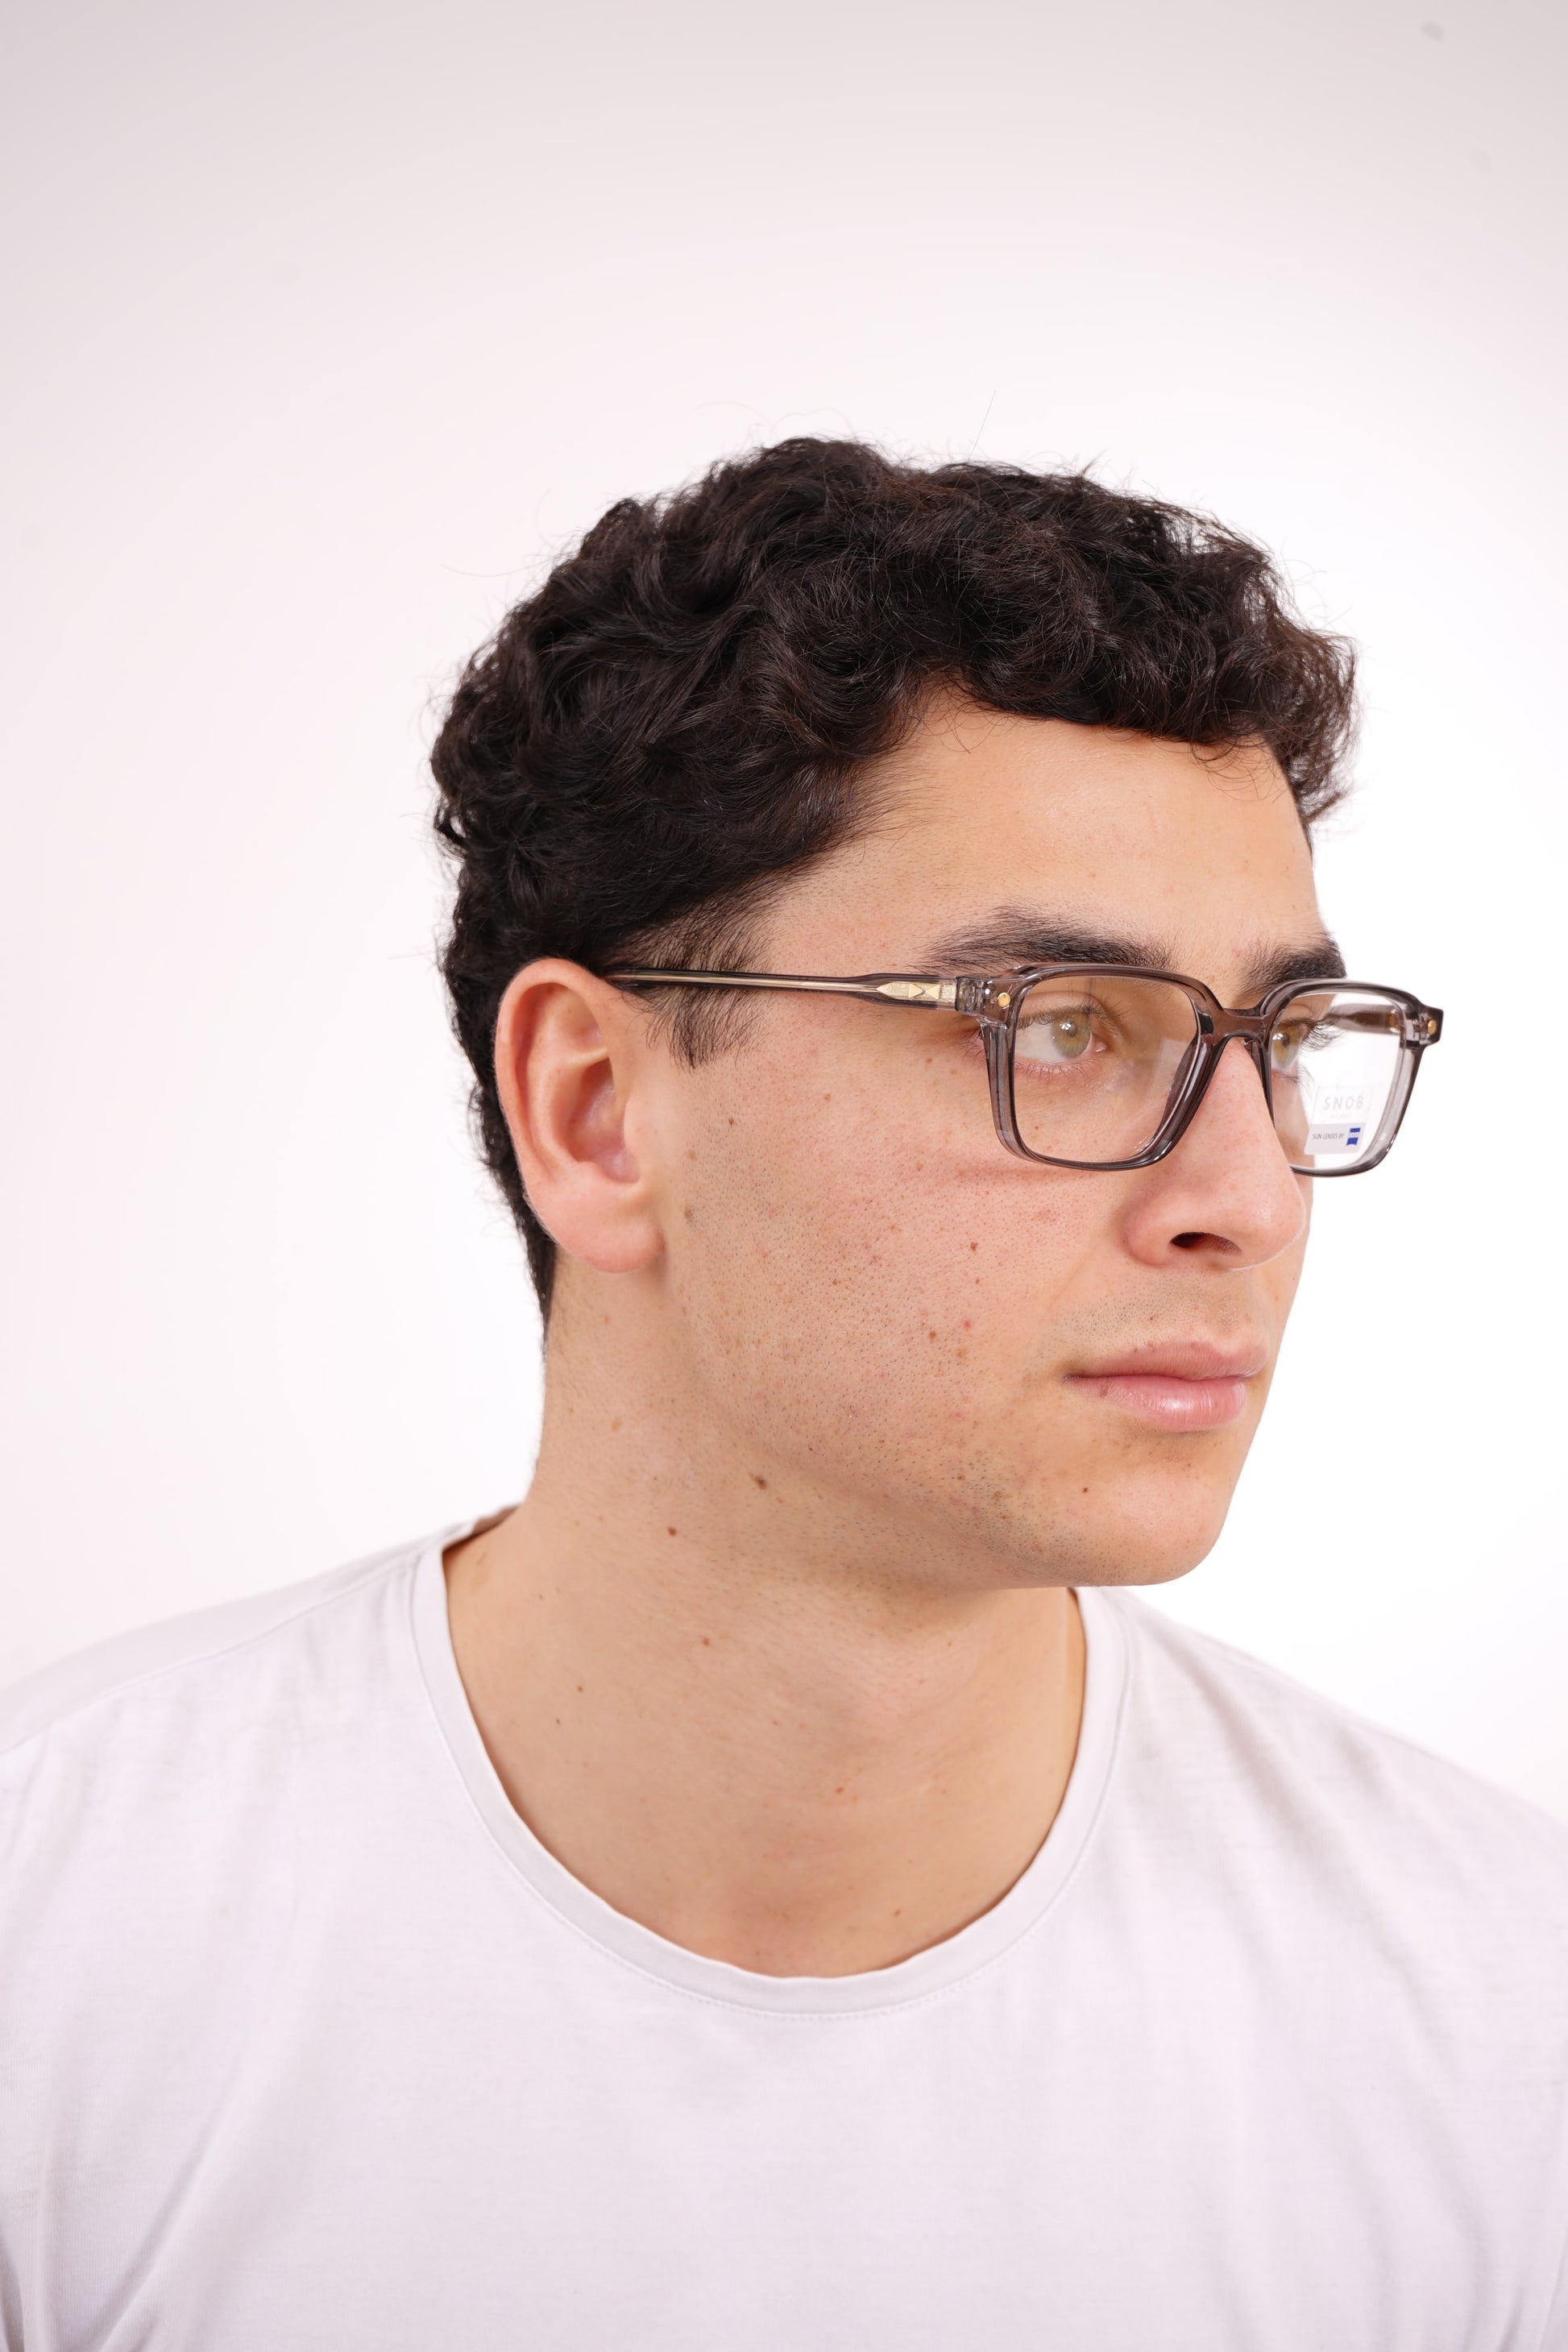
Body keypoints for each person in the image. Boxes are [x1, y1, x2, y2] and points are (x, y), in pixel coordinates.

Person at [1, 441, 1563, 2351]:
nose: (1243, 1196)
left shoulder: (1496, 2023)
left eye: (1284, 1039)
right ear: (597, 1110)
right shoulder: (54, 1945)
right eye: (1063, 1027)